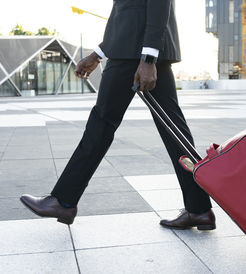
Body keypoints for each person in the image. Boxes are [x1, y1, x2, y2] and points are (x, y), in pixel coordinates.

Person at [20, 0, 216, 231]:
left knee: (101, 125)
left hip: (135, 57)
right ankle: (199, 209)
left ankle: (63, 201)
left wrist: (148, 59)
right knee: (174, 132)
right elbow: (125, 15)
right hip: (138, 52)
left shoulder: (143, 57)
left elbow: (158, 6)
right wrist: (97, 54)